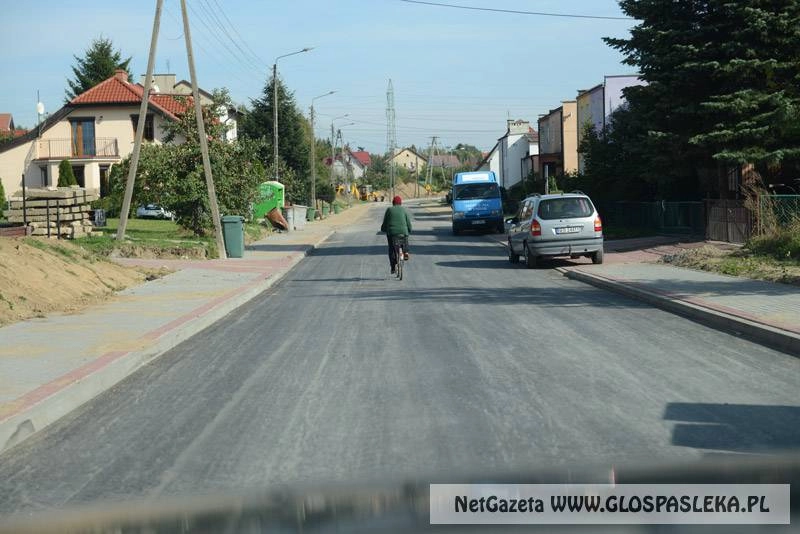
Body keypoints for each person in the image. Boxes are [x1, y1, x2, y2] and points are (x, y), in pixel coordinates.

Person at [380, 195, 412, 274]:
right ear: (400, 203)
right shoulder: (404, 210)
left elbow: (385, 222)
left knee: (391, 248)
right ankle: (406, 252)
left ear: (393, 203)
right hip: (403, 232)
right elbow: (408, 223)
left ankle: (393, 267)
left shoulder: (389, 210)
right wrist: (409, 230)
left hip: (392, 233)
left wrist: (383, 229)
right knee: (405, 239)